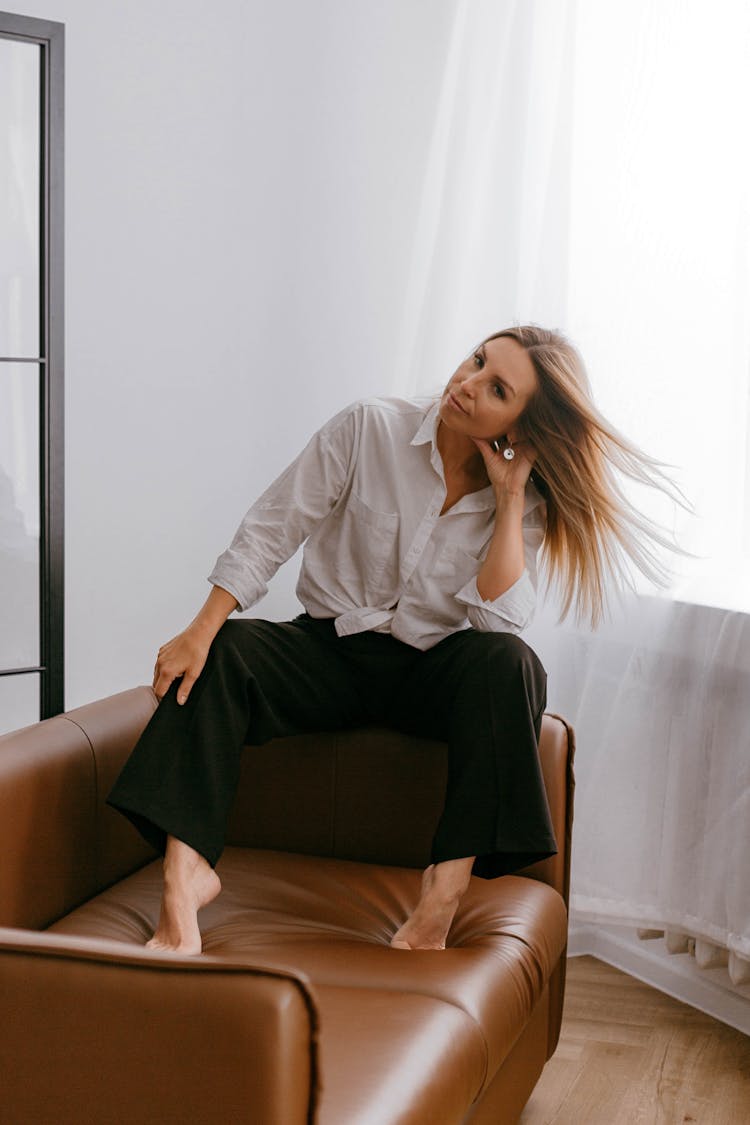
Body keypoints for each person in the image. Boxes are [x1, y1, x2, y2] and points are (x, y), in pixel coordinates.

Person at [107, 324, 678, 955]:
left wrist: (510, 500)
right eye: (477, 359)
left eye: (496, 389)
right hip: (328, 651)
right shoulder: (369, 427)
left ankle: (442, 898)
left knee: (510, 664)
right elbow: (275, 527)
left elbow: (497, 623)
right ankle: (182, 885)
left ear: (521, 427)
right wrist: (200, 628)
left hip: (428, 671)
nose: (465, 384)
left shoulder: (529, 502)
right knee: (226, 651)